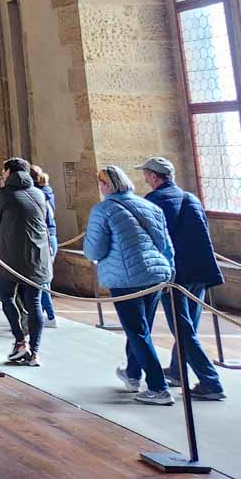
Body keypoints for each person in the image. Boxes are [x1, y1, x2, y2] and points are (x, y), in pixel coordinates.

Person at [84, 164, 176, 404]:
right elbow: (165, 245)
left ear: (106, 185)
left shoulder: (103, 210)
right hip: (154, 274)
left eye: (101, 183)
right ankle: (133, 375)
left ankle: (158, 387)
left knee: (136, 331)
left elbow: (94, 249)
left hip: (126, 277)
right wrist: (169, 271)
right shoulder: (150, 206)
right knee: (140, 328)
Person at [138, 156, 226, 400]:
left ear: (154, 177)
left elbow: (152, 239)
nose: (145, 178)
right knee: (186, 326)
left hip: (176, 274)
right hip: (199, 271)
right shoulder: (191, 198)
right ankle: (177, 371)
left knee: (183, 328)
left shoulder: (154, 201)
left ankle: (211, 381)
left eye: (146, 174)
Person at [0, 157, 51, 366]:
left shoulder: (5, 195)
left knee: (7, 297)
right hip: (37, 256)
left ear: (9, 172)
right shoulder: (39, 193)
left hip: (11, 256)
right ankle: (34, 352)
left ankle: (19, 341)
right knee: (34, 303)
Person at [32, 165, 60, 322]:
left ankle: (49, 315)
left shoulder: (37, 196)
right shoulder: (46, 193)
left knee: (41, 280)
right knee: (43, 279)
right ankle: (42, 313)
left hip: (43, 238)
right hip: (50, 236)